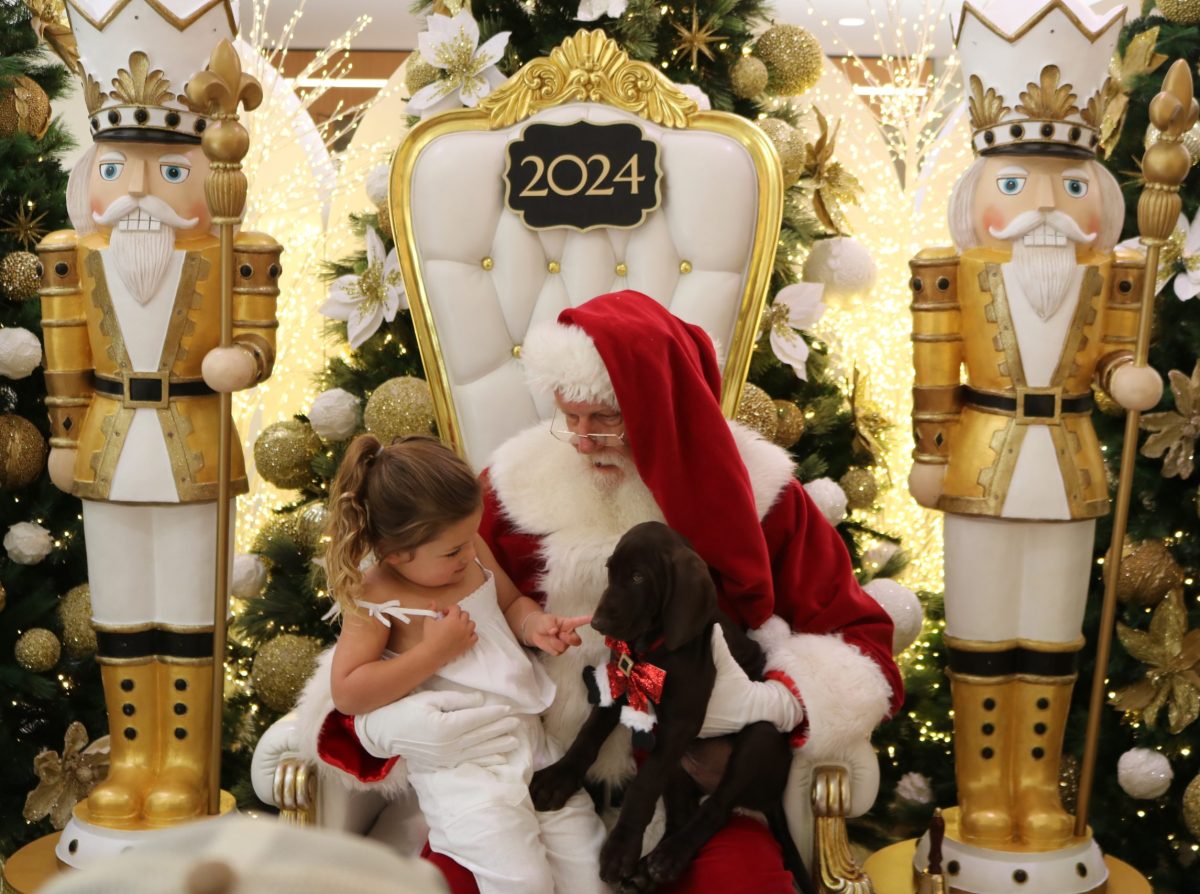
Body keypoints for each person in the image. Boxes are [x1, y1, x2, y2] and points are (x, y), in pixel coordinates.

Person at [299, 291, 902, 893]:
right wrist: (397, 723)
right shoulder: (513, 487)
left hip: (690, 782)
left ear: (661, 407)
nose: (583, 439)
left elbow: (855, 639)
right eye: (570, 417)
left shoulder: (766, 496)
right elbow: (394, 609)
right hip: (530, 774)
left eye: (606, 418)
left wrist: (767, 704)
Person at [907, 0, 1160, 881]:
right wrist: (930, 450)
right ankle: (982, 791)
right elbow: (935, 364)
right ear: (978, 198)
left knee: (1052, 637)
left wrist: (1131, 374)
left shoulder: (1118, 272)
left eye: (1072, 185)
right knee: (982, 633)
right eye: (1016, 185)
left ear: (1105, 195)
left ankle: (1036, 786)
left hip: (1073, 469)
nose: (1046, 205)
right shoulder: (951, 273)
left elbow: (1122, 352)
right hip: (981, 463)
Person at [37, 0, 279, 826]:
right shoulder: (73, 257)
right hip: (109, 449)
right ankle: (130, 757)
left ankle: (182, 763)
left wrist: (239, 360)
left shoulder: (235, 253)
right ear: (89, 176)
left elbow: (258, 339)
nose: (138, 192)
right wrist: (66, 431)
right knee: (121, 615)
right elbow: (66, 350)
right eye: (116, 169)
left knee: (187, 615)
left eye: (170, 173)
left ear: (207, 175)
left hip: (195, 450)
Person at [324, 434, 609, 894]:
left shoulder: (466, 548)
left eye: (470, 539)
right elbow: (349, 692)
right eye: (453, 551)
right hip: (462, 766)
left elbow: (511, 601)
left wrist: (534, 624)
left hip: (529, 739)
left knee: (590, 868)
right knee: (522, 882)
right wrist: (432, 653)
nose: (470, 554)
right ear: (397, 553)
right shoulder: (377, 596)